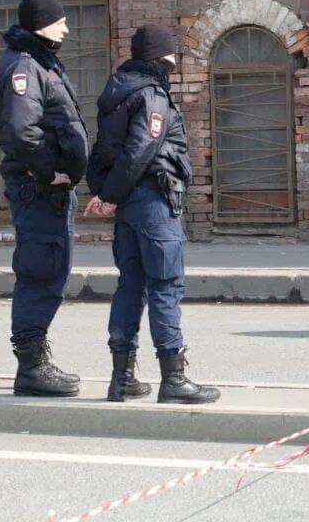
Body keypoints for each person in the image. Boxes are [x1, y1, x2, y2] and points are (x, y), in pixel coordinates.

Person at [84, 25, 219, 405]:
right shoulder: (151, 95)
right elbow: (142, 148)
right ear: (160, 60)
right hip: (154, 203)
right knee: (165, 285)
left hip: (128, 203)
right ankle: (173, 379)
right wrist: (109, 195)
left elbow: (102, 151)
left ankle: (121, 379)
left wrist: (105, 192)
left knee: (131, 285)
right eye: (171, 63)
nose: (172, 70)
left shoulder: (115, 94)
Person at [0, 0, 89, 397]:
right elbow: (20, 130)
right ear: (41, 24)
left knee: (50, 269)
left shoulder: (39, 63)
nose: (66, 27)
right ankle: (31, 367)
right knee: (40, 270)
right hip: (39, 190)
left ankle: (35, 358)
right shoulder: (24, 66)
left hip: (47, 190)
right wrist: (48, 172)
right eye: (60, 20)